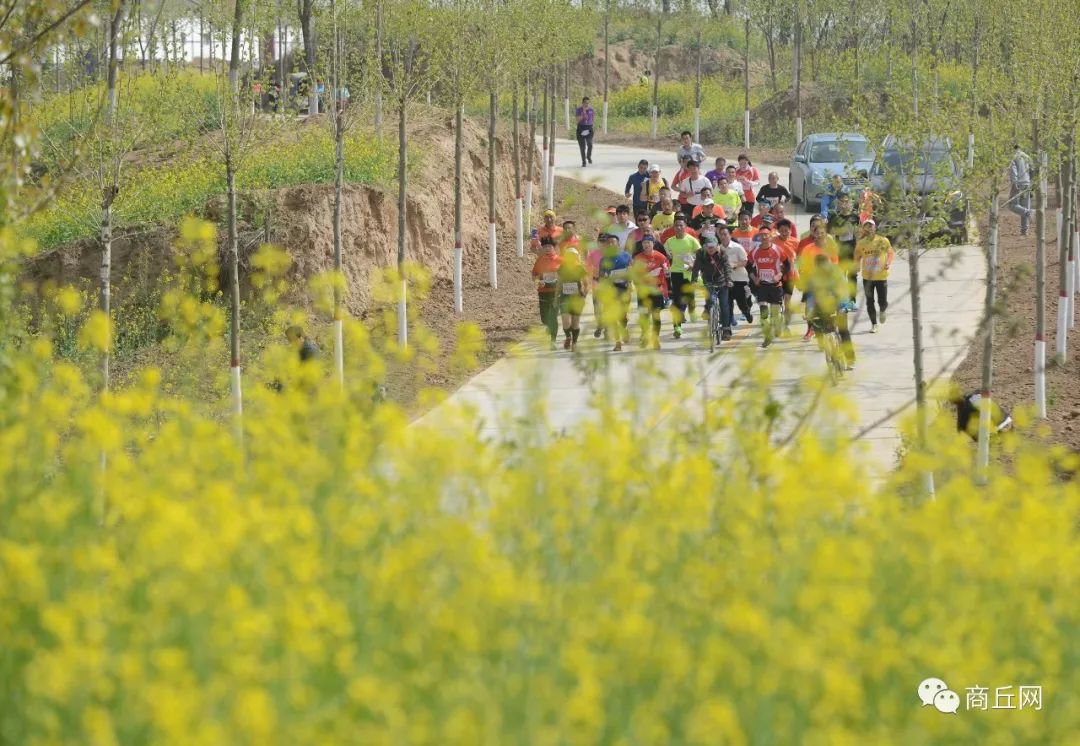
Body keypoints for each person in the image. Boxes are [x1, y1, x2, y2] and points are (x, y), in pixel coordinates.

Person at [804, 253, 856, 370]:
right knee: (825, 327)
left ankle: (850, 359)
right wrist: (810, 310)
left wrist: (844, 307)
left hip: (839, 302)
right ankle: (830, 349)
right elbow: (811, 296)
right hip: (824, 305)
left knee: (843, 330)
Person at [747, 226, 789, 347]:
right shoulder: (755, 251)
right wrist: (754, 278)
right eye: (762, 235)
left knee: (775, 315)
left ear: (770, 237)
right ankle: (767, 336)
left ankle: (777, 325)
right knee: (763, 313)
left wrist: (780, 274)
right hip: (763, 287)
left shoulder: (777, 250)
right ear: (759, 237)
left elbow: (787, 264)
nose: (764, 237)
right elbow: (748, 266)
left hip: (776, 286)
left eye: (766, 235)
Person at [854, 218, 894, 333]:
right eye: (866, 226)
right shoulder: (861, 243)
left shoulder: (883, 240)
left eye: (871, 226)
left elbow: (890, 253)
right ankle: (874, 324)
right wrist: (856, 265)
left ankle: (882, 310)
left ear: (875, 228)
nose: (869, 228)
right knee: (869, 302)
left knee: (883, 301)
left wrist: (888, 263)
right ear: (863, 229)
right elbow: (857, 256)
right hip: (868, 278)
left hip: (881, 276)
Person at [663, 215, 702, 335]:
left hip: (689, 272)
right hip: (676, 272)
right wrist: (666, 263)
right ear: (673, 227)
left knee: (688, 296)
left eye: (681, 225)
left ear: (685, 227)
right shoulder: (669, 242)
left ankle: (691, 309)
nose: (679, 228)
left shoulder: (691, 240)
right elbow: (666, 258)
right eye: (676, 226)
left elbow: (700, 256)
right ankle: (677, 327)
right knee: (677, 300)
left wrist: (693, 265)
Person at [691, 233, 733, 341]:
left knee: (724, 305)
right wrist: (694, 280)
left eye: (712, 247)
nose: (710, 249)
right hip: (708, 280)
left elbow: (727, 267)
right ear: (704, 246)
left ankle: (726, 329)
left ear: (717, 246)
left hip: (722, 281)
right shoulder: (700, 253)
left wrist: (729, 280)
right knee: (710, 300)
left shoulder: (722, 253)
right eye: (708, 247)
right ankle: (708, 308)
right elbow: (696, 267)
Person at [633, 234, 670, 349]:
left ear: (653, 244)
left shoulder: (660, 257)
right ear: (642, 245)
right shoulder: (638, 258)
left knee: (656, 315)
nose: (646, 245)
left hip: (656, 290)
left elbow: (668, 273)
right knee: (644, 315)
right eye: (644, 243)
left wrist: (666, 270)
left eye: (649, 242)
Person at [598, 232, 633, 350]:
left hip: (624, 288)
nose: (611, 244)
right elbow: (601, 276)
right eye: (608, 243)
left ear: (618, 244)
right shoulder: (604, 260)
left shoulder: (626, 256)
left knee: (622, 316)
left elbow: (632, 270)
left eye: (613, 242)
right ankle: (618, 342)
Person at [826, 192, 861, 303]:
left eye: (847, 201)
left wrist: (859, 256)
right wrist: (842, 231)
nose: (844, 204)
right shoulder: (834, 217)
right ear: (838, 203)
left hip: (852, 250)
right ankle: (840, 299)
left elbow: (859, 235)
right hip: (839, 251)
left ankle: (852, 300)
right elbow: (830, 233)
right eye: (842, 201)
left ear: (850, 202)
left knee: (852, 276)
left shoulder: (855, 217)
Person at [531, 236, 563, 349]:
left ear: (555, 248)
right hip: (543, 292)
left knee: (553, 317)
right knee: (544, 319)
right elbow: (534, 275)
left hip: (556, 293)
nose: (548, 248)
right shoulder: (539, 260)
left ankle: (552, 341)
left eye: (550, 246)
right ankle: (549, 328)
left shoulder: (560, 260)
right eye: (545, 246)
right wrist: (538, 281)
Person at [719, 223, 753, 326]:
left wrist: (735, 264)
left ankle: (746, 313)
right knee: (727, 305)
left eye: (725, 234)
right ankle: (727, 327)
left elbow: (745, 261)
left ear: (730, 235)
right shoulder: (718, 249)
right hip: (725, 281)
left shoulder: (737, 247)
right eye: (721, 234)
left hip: (739, 280)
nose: (723, 237)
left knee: (741, 304)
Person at [949, 389, 1013, 441]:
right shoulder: (976, 393)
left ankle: (996, 436)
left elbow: (961, 427)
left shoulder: (964, 408)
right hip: (1008, 421)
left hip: (997, 429)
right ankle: (1002, 433)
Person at [558, 247, 590, 350]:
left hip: (577, 298)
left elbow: (586, 284)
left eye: (573, 255)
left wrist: (584, 295)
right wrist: (555, 297)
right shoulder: (562, 268)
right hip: (564, 297)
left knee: (575, 322)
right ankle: (568, 337)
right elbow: (558, 284)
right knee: (566, 322)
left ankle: (574, 343)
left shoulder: (580, 268)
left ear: (576, 257)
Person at [773, 219, 800, 334]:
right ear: (778, 231)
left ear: (790, 231)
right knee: (777, 302)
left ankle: (786, 325)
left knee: (787, 301)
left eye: (787, 230)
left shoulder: (796, 242)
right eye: (782, 230)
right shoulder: (772, 242)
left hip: (790, 276)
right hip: (776, 275)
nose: (784, 233)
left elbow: (800, 258)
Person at [1008, 144, 1034, 236]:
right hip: (1027, 184)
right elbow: (1032, 171)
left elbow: (1013, 170)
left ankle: (1029, 212)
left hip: (1018, 184)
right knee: (1025, 205)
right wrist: (1031, 185)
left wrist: (1015, 183)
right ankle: (1024, 231)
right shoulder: (1027, 156)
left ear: (1013, 148)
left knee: (1011, 205)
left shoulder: (1013, 157)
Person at [575, 97, 595, 167]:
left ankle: (588, 156)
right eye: (585, 103)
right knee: (582, 147)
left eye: (588, 103)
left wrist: (592, 126)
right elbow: (577, 120)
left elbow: (592, 119)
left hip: (589, 128)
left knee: (590, 144)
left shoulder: (591, 109)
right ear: (582, 103)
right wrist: (582, 115)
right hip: (581, 128)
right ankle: (583, 161)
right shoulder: (579, 110)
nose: (587, 104)